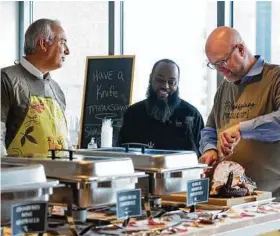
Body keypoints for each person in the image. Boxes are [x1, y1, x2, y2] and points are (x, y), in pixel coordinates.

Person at [199, 26, 280, 200]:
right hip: (231, 199)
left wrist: (241, 129)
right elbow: (210, 128)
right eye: (214, 65)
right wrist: (210, 149)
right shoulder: (224, 87)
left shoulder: (275, 78)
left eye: (222, 62)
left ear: (241, 49)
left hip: (272, 200)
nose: (220, 70)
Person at [1, 18, 71, 157]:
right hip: (20, 177)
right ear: (43, 44)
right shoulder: (6, 80)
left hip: (59, 177)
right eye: (62, 42)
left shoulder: (57, 90)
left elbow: (66, 143)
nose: (67, 51)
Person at [118, 59, 204, 155]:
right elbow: (121, 154)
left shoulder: (192, 115)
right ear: (151, 78)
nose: (165, 86)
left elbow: (201, 158)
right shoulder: (133, 114)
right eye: (160, 80)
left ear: (178, 83)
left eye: (172, 82)